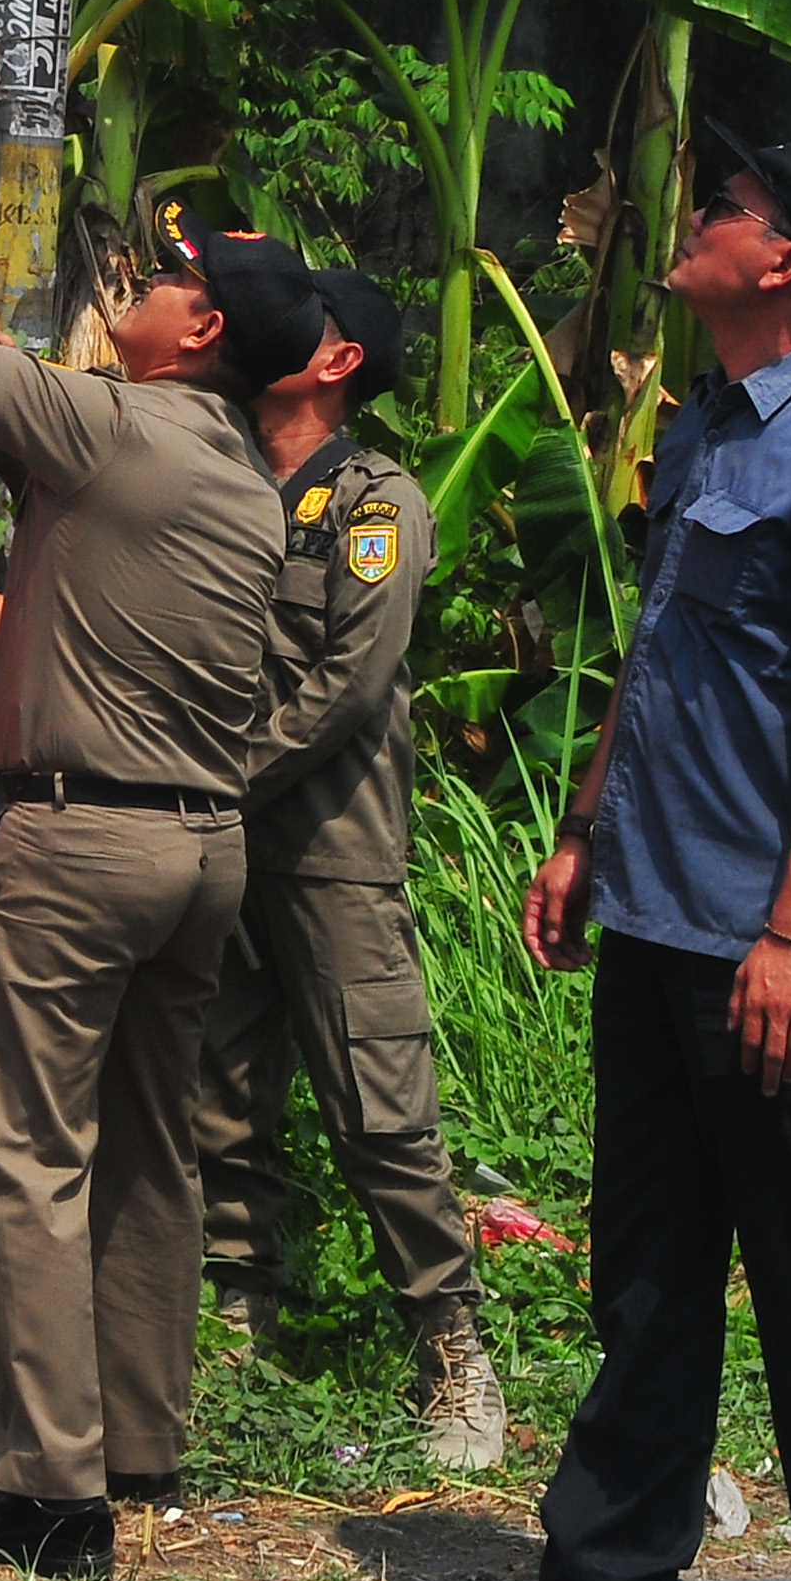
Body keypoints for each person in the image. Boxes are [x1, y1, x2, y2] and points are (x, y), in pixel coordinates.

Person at [464, 132, 791, 1581]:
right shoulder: (706, 430)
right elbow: (659, 658)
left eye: (724, 210)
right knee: (650, 1266)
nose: (693, 223)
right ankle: (611, 1578)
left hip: (769, 942)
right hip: (656, 912)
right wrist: (580, 837)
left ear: (785, 260)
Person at [0, 197, 319, 1576]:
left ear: (201, 334)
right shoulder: (236, 477)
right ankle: (136, 1445)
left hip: (80, 848)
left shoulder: (108, 427)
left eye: (174, 281)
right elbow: (86, 605)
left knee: (33, 1153)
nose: (152, 285)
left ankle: (46, 1492)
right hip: (197, 850)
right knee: (147, 1148)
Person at [192, 265, 504, 1467]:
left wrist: (215, 772)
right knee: (220, 1092)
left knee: (378, 1104)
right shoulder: (214, 463)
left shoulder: (374, 503)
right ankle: (236, 1332)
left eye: (300, 316)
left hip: (328, 847)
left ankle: (451, 1349)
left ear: (334, 361)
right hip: (219, 841)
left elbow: (347, 685)